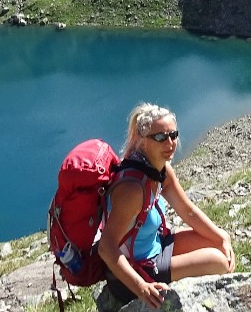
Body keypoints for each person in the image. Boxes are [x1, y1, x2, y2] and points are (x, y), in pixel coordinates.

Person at [97, 103, 234, 310]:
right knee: (219, 261)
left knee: (217, 243)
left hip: (157, 247)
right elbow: (106, 248)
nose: (170, 143)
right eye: (160, 137)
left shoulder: (161, 171)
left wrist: (223, 237)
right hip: (135, 271)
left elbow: (187, 211)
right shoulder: (132, 189)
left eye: (173, 134)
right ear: (142, 141)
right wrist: (142, 287)